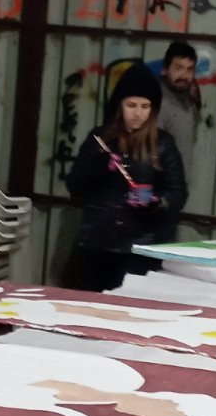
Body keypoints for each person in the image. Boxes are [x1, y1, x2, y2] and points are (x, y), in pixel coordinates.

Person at [62, 63, 187, 292]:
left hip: (140, 249)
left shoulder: (163, 144)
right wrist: (98, 168)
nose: (138, 113)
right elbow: (75, 186)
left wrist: (157, 202)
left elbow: (178, 192)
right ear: (119, 105)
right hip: (95, 245)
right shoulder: (100, 139)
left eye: (145, 106)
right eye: (131, 105)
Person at [155, 41, 199, 155]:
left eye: (189, 69)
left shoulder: (189, 104)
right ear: (164, 69)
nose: (184, 75)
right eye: (178, 68)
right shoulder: (156, 104)